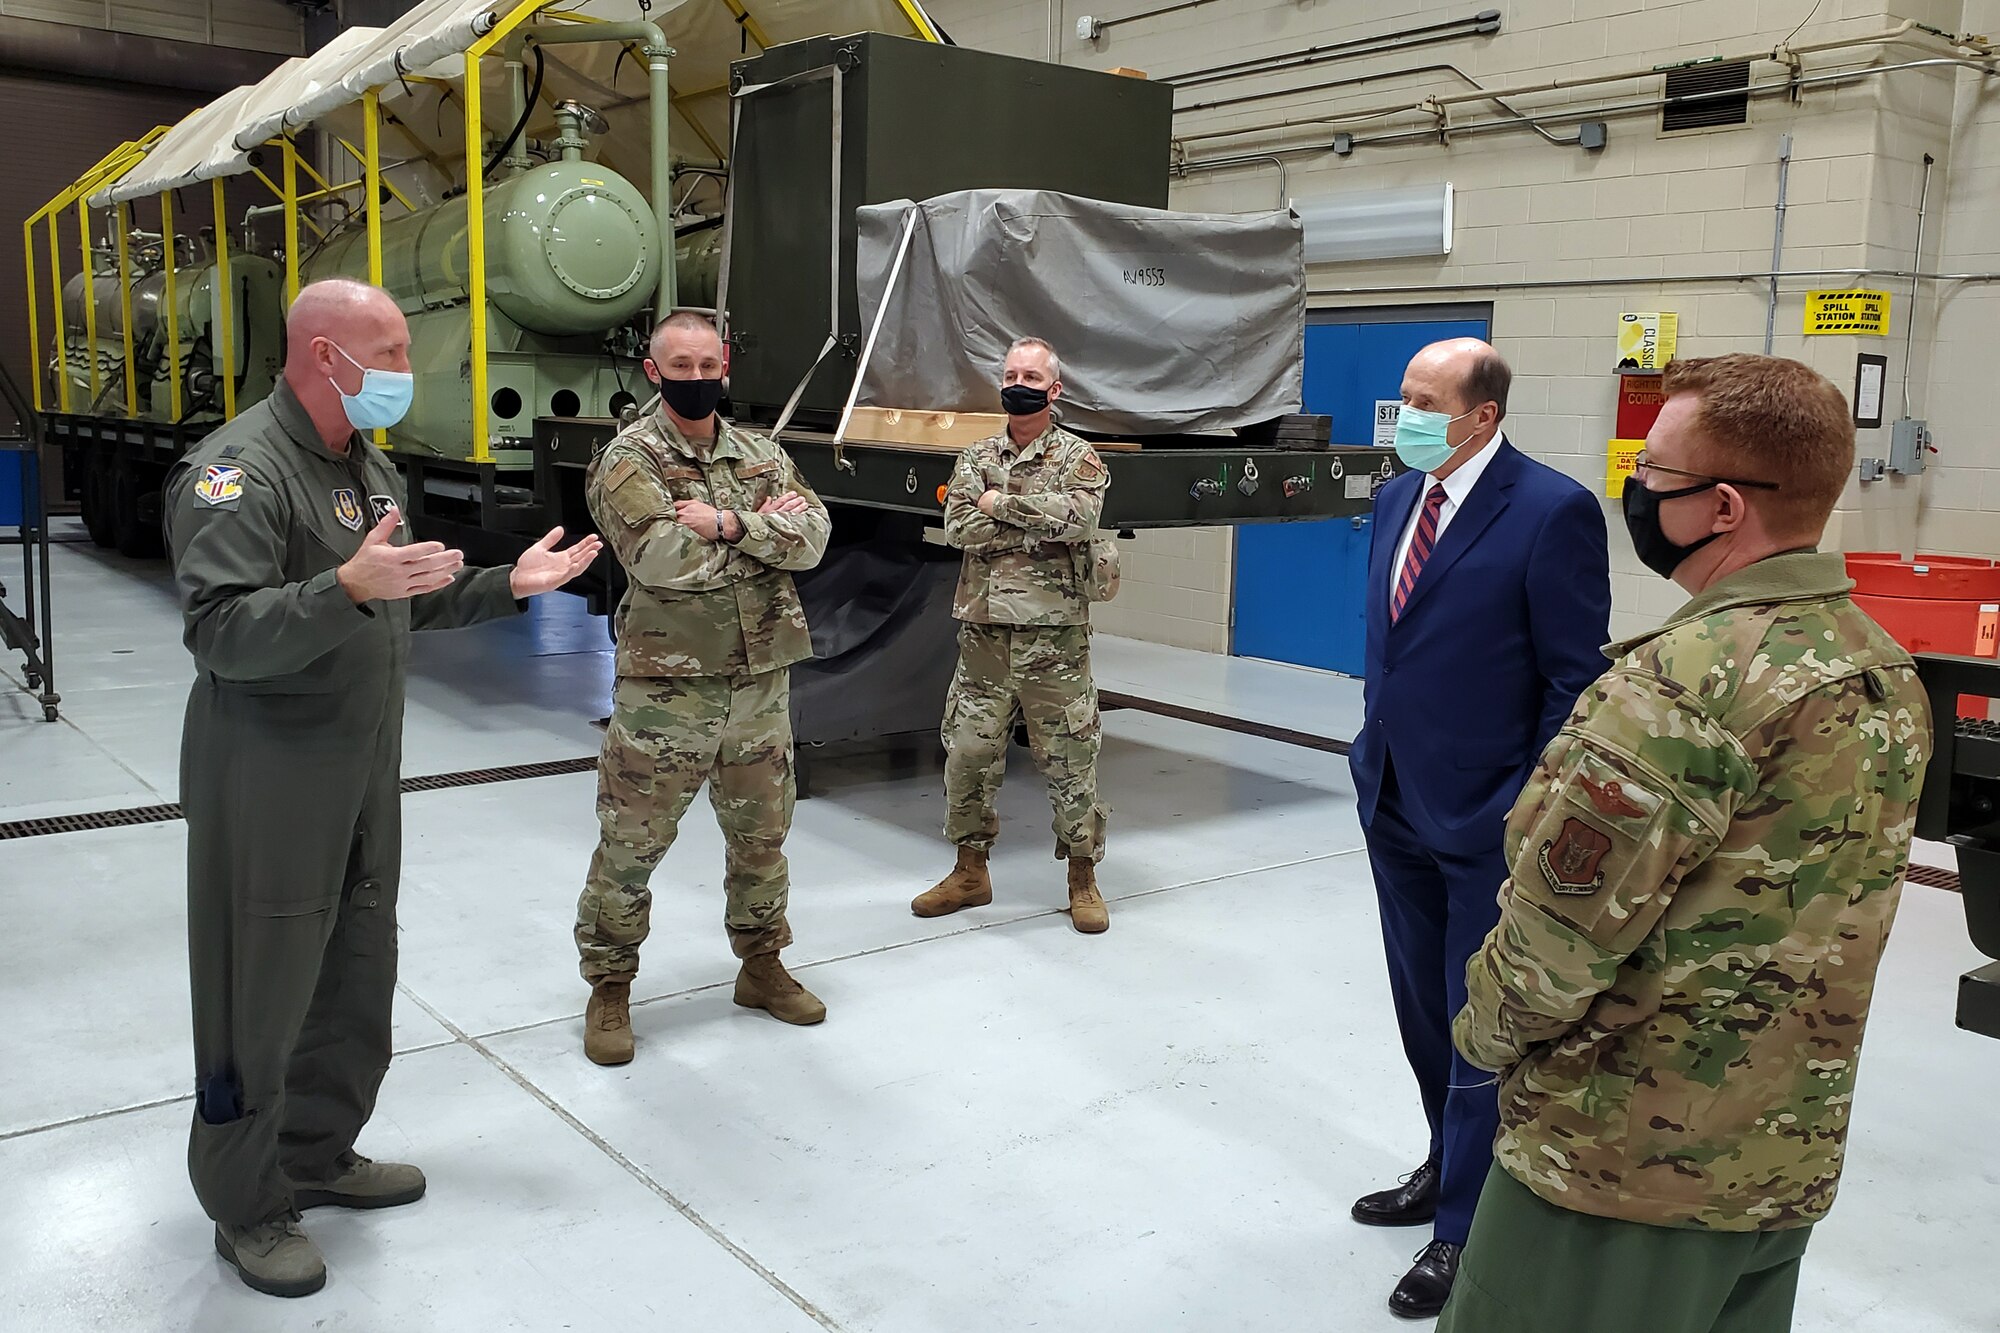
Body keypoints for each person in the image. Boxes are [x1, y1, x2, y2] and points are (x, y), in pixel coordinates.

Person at [1441, 354, 1932, 1333]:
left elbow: (1552, 943)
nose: (1633, 488)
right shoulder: (1879, 666)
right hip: (1777, 1160)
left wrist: (1479, 1038)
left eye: (1652, 473)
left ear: (1718, 508)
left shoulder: (1681, 683)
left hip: (1613, 1174)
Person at [166, 278, 600, 1299]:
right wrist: (341, 587)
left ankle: (316, 1152)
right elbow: (220, 632)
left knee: (355, 968)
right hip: (267, 775)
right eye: (394, 351)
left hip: (360, 767)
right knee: (257, 990)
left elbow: (397, 598)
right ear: (326, 357)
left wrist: (507, 587)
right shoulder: (238, 472)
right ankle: (243, 1203)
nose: (409, 369)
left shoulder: (363, 465)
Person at [1346, 338, 1611, 1318]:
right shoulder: (1390, 502)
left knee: (1478, 1025)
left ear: (1480, 416)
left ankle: (1463, 1227)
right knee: (1420, 1008)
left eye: (1421, 401)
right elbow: (1396, 648)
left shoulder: (1549, 512)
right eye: (1402, 395)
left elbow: (1571, 680)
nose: (1402, 415)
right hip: (1391, 799)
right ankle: (1438, 1160)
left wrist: (1522, 809)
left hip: (1484, 818)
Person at [575, 312, 831, 1066]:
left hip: (758, 684)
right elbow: (659, 558)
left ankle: (761, 963)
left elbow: (813, 536)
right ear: (653, 372)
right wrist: (761, 534)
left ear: (725, 365)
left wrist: (724, 522)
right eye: (679, 367)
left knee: (762, 837)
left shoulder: (760, 449)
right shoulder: (629, 459)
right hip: (668, 693)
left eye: (707, 364)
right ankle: (610, 983)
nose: (696, 378)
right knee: (632, 844)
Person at [910, 336, 1113, 932]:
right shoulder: (975, 457)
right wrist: (1030, 517)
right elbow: (960, 527)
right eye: (1011, 373)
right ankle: (970, 872)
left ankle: (1083, 876)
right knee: (969, 752)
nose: (1019, 382)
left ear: (1055, 390)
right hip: (984, 637)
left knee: (1070, 756)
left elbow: (1081, 520)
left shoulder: (1079, 458)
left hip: (1055, 638)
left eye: (1032, 375)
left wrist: (1001, 502)